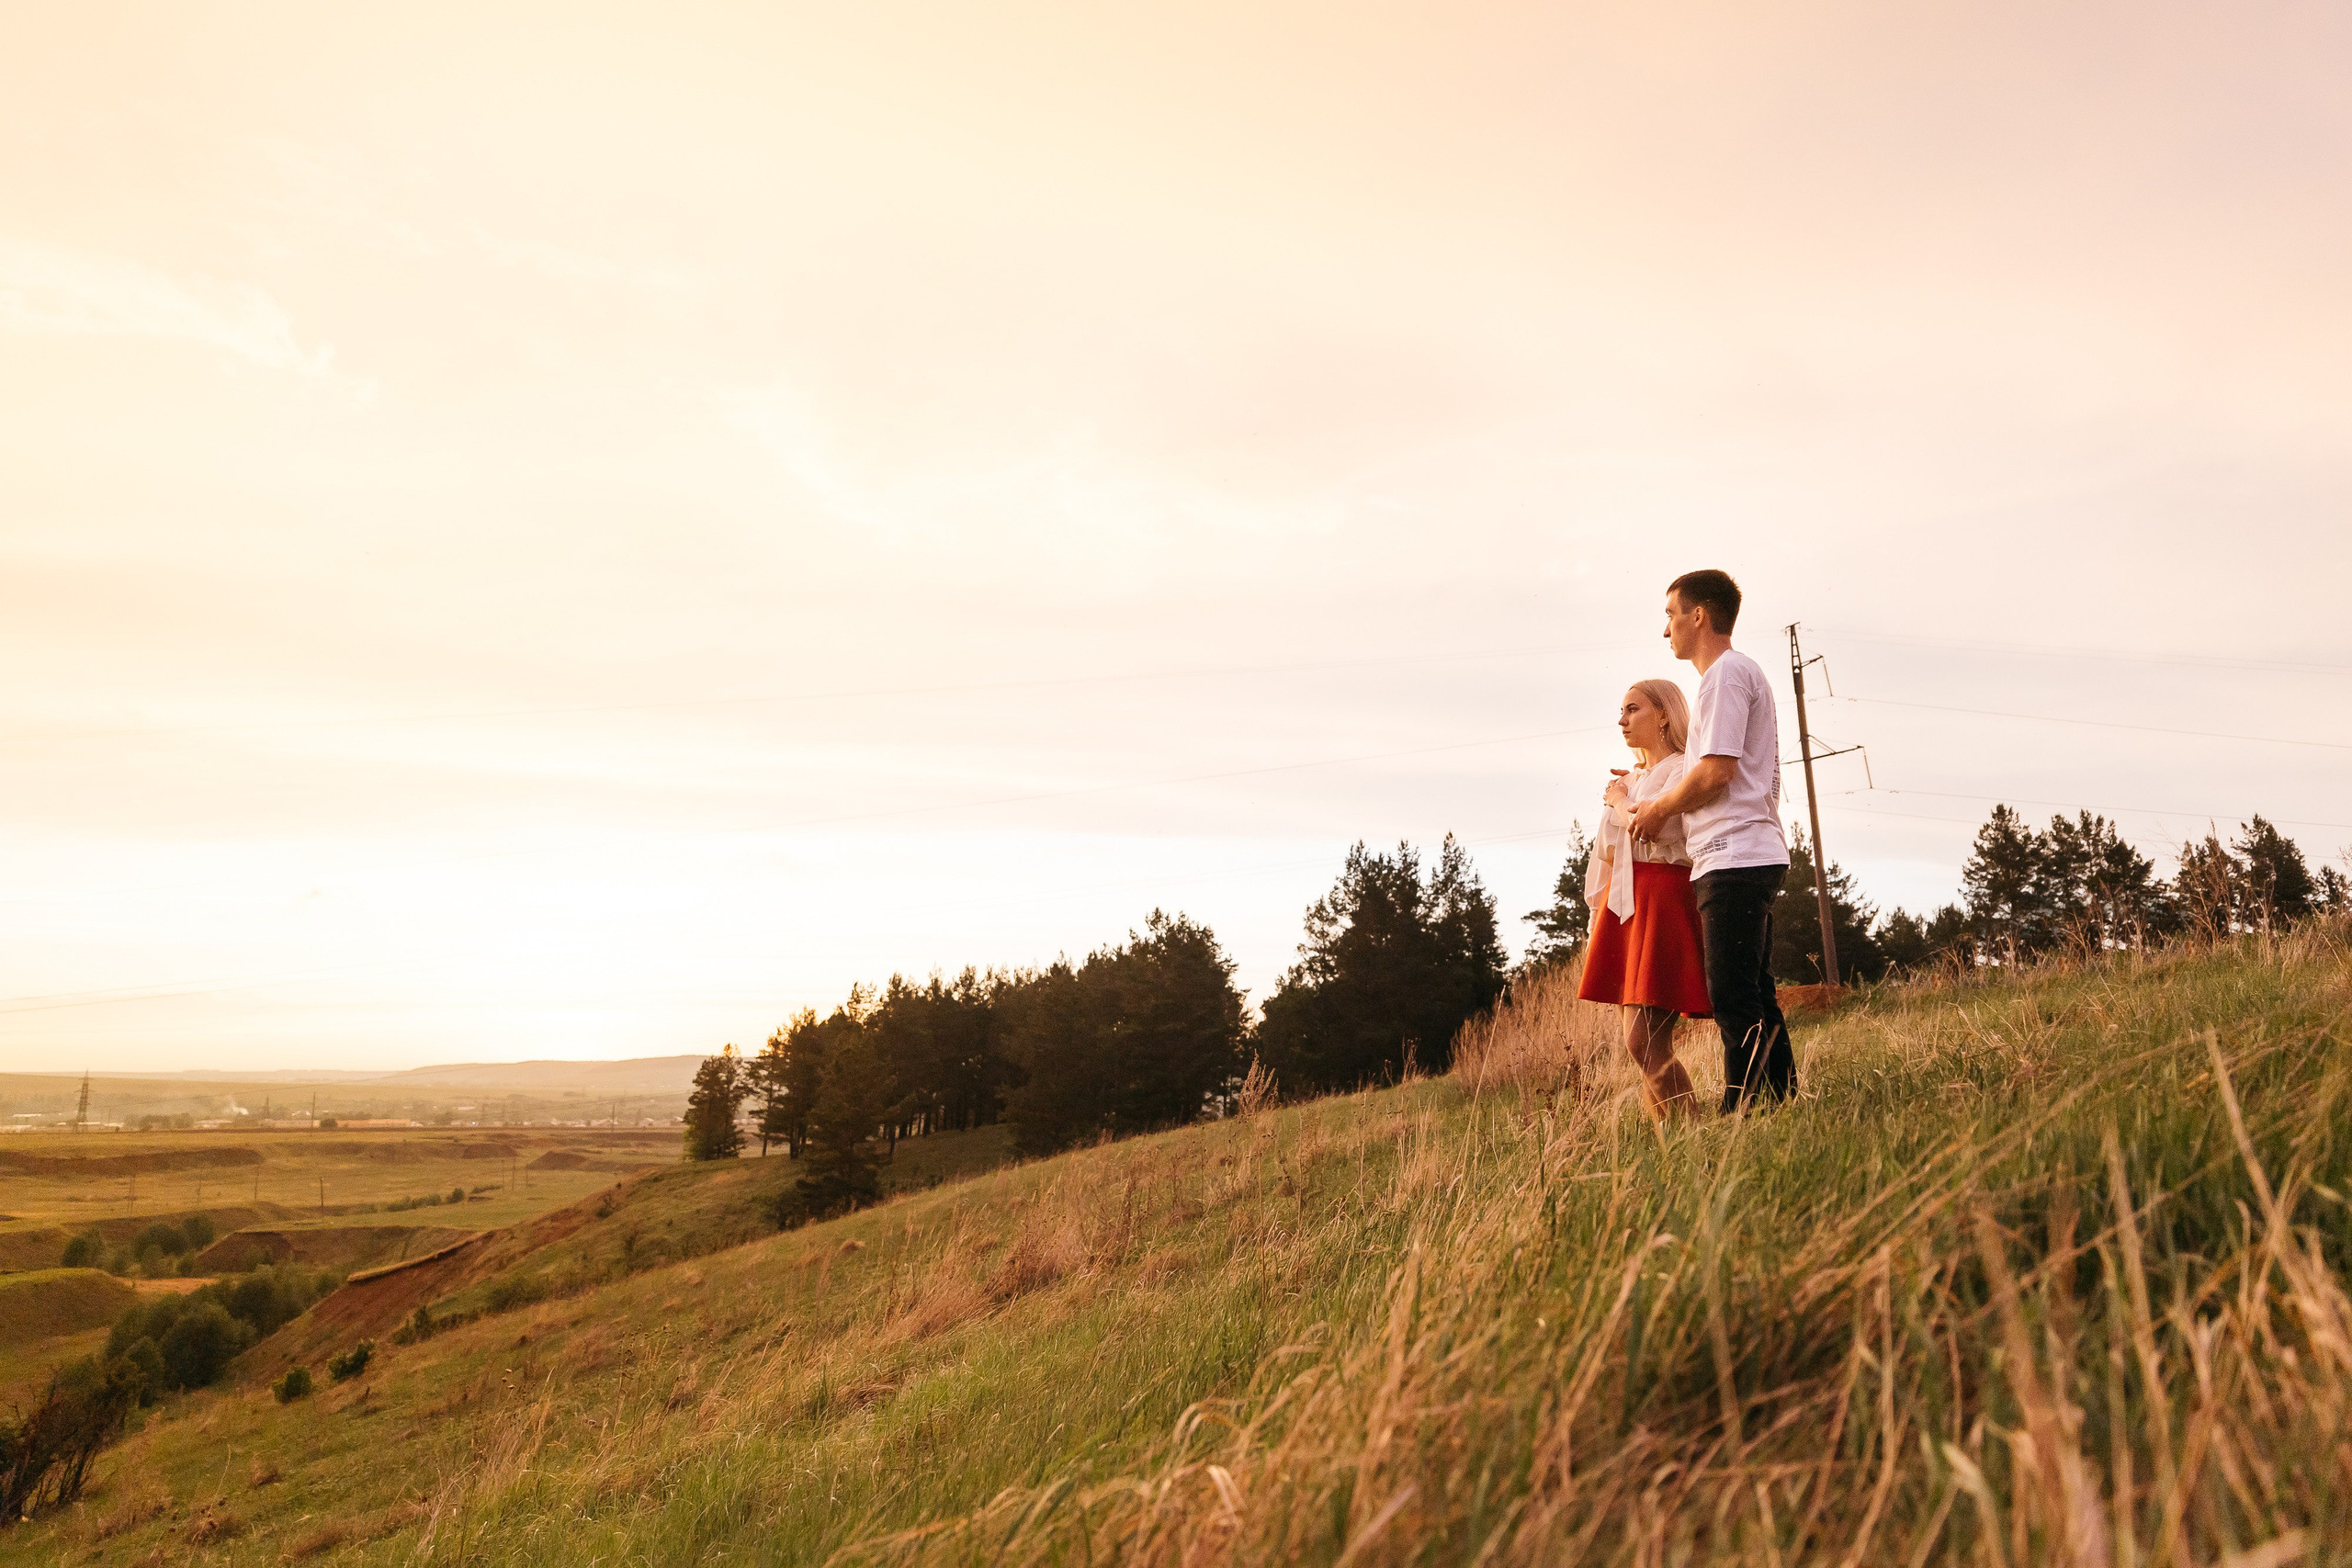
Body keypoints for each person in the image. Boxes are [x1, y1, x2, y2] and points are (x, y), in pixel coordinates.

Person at [1629, 569, 1795, 1111]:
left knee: (1732, 996)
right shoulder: (1731, 676)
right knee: (1755, 992)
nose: (1666, 630)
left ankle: (1743, 1111)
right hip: (1743, 852)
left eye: (1671, 615)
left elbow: (1716, 770)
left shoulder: (1724, 675)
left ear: (1698, 615)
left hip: (1734, 853)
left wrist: (1657, 809)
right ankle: (1779, 1102)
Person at [1575, 679, 1709, 1117]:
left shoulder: (1681, 768)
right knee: (1638, 1043)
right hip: (1627, 902)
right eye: (1622, 711)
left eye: (1634, 709)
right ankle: (1673, 1143)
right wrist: (1599, 919)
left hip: (1664, 897)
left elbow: (1653, 826)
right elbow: (1608, 852)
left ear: (1665, 715)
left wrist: (1618, 801)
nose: (1622, 720)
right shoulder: (1632, 779)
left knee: (1644, 1040)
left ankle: (1692, 1133)